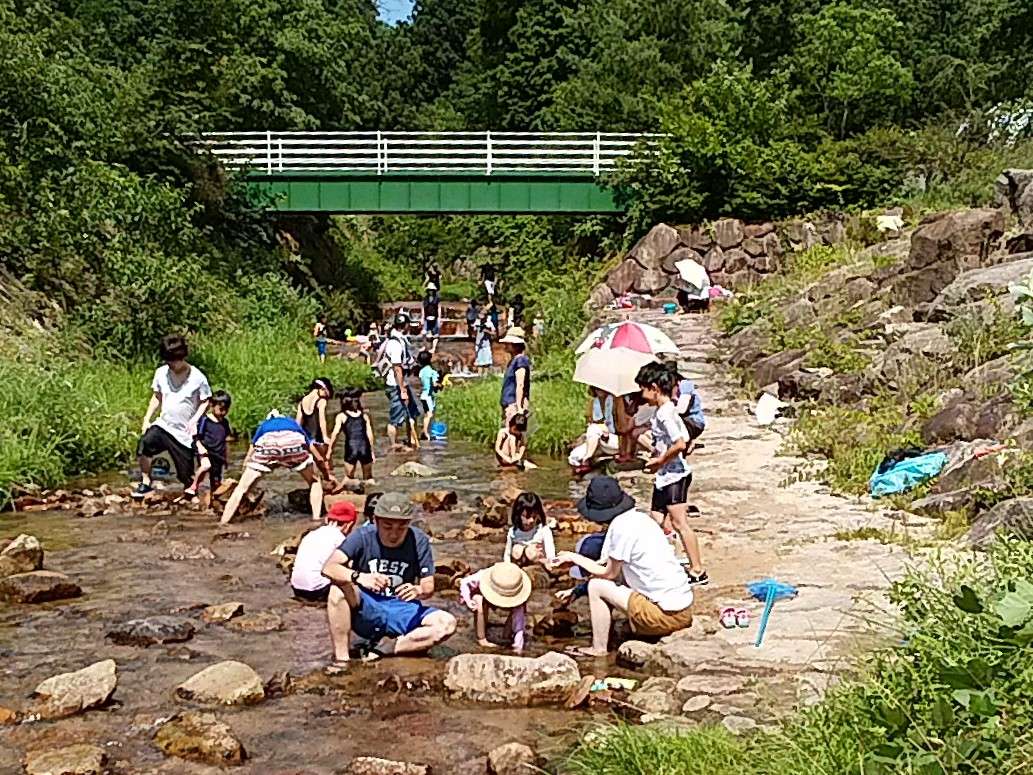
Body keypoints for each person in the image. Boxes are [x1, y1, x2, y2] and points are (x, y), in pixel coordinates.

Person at [551, 477, 694, 656]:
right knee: (604, 581)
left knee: (597, 586)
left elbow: (608, 574)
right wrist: (577, 591)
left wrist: (575, 558)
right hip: (684, 611)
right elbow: (608, 569)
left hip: (665, 616)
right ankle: (612, 632)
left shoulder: (620, 529)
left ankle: (599, 648)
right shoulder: (639, 518)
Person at [320, 492, 457, 669]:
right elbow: (329, 567)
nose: (394, 534)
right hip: (368, 606)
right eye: (387, 526)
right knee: (337, 590)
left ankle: (386, 648)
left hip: (402, 607)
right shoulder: (362, 536)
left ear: (408, 524)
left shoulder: (418, 540)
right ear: (376, 521)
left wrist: (417, 590)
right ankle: (342, 661)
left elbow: (428, 585)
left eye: (401, 527)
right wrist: (360, 577)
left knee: (447, 624)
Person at [636, 362, 708, 586]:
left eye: (643, 388)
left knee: (679, 523)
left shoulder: (666, 413)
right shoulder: (663, 412)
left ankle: (698, 570)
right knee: (656, 520)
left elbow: (680, 443)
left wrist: (660, 460)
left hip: (675, 476)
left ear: (654, 388)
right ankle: (659, 562)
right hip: (664, 476)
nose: (641, 393)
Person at [133, 335, 212, 499]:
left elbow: (206, 401)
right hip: (164, 425)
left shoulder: (198, 378)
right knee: (144, 445)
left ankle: (193, 495)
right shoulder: (161, 373)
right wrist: (147, 418)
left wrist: (195, 420)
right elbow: (156, 396)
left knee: (185, 476)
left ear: (183, 357)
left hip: (183, 434)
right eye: (168, 361)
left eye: (174, 361)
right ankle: (146, 482)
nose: (171, 365)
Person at [220, 411, 326, 524]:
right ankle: (316, 519)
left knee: (240, 489)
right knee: (315, 481)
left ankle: (224, 522)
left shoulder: (264, 425)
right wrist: (326, 473)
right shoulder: (292, 423)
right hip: (292, 442)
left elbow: (251, 450)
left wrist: (245, 472)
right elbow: (314, 452)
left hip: (268, 444)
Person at [290, 501, 359, 601]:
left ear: (327, 519)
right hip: (318, 590)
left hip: (297, 587)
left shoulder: (311, 534)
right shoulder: (339, 538)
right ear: (349, 525)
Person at [459, 562, 531, 653]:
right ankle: (481, 638)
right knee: (479, 601)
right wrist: (469, 601)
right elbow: (464, 582)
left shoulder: (516, 591)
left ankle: (507, 635)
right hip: (482, 595)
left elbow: (519, 626)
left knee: (516, 614)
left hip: (508, 598)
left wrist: (518, 647)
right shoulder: (481, 577)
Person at [376, 313, 417, 450]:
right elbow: (397, 368)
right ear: (405, 326)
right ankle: (394, 446)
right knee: (395, 418)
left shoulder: (400, 339)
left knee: (412, 413)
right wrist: (402, 390)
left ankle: (411, 441)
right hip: (395, 385)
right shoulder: (395, 343)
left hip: (401, 383)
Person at [184, 390, 233, 501]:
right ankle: (194, 486)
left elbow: (225, 440)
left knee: (216, 480)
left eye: (226, 409)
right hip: (205, 451)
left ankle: (212, 500)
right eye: (221, 409)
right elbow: (196, 436)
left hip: (218, 454)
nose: (223, 412)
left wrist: (225, 458)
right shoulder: (205, 420)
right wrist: (200, 447)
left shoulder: (225, 422)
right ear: (212, 405)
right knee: (206, 466)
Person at [329, 388, 376, 482]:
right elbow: (370, 435)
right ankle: (372, 494)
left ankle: (349, 495)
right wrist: (372, 451)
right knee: (369, 478)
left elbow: (335, 433)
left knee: (349, 478)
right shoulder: (364, 416)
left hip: (351, 448)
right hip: (365, 447)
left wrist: (330, 450)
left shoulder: (341, 416)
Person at [568, 387, 618, 474]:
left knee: (594, 428)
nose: (599, 390)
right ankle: (585, 467)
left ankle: (588, 457)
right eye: (596, 388)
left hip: (613, 440)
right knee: (573, 457)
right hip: (596, 440)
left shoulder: (616, 402)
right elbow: (589, 423)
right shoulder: (593, 403)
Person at [297, 378, 335, 480]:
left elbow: (298, 424)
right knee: (326, 462)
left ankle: (318, 483)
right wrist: (325, 436)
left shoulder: (302, 402)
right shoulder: (321, 401)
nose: (327, 396)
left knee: (314, 464)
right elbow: (322, 420)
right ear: (322, 388)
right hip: (318, 438)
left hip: (307, 439)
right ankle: (330, 483)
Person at [504, 491, 555, 566]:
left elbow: (551, 555)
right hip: (518, 568)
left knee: (531, 551)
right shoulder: (513, 532)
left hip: (539, 569)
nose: (531, 520)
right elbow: (507, 555)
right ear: (518, 515)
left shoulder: (543, 530)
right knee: (517, 550)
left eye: (534, 517)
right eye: (527, 517)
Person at [499, 326, 530, 421]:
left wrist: (519, 408)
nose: (506, 345)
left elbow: (520, 384)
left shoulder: (520, 360)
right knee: (507, 432)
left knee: (513, 434)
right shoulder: (514, 360)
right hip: (508, 404)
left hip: (514, 405)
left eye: (508, 343)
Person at [417, 351, 440, 441]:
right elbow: (434, 384)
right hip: (428, 397)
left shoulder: (422, 371)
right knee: (429, 415)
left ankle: (425, 431)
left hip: (423, 395)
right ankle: (426, 432)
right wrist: (440, 385)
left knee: (427, 414)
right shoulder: (432, 372)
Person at [473, 310, 495, 375]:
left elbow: (494, 333)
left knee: (486, 362)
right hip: (478, 344)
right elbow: (473, 332)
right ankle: (479, 376)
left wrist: (487, 331)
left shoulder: (489, 323)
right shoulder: (477, 322)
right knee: (479, 362)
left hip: (486, 344)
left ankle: (485, 376)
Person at [422, 289, 441, 354]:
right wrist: (422, 318)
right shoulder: (425, 298)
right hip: (427, 318)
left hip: (435, 318)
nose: (431, 291)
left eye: (432, 290)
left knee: (435, 334)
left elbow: (439, 308)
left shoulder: (437, 298)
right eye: (429, 290)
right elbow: (423, 308)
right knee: (424, 333)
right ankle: (425, 346)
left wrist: (439, 318)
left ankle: (434, 348)